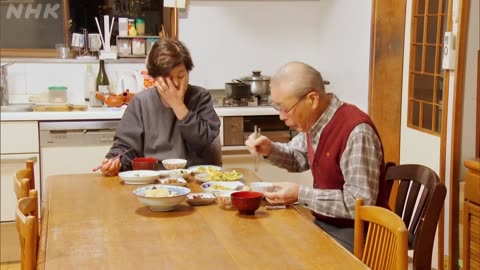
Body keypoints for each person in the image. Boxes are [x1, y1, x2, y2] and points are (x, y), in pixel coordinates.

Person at [245, 61, 387, 252]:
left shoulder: (357, 132)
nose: (281, 116)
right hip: (326, 222)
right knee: (266, 241)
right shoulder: (316, 122)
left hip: (360, 234)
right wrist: (270, 149)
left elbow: (359, 203)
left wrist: (300, 194)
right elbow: (298, 158)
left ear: (312, 99)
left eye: (284, 108)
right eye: (276, 107)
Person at [100, 39, 221, 176]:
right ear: (154, 79)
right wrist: (116, 161)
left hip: (192, 178)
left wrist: (178, 106)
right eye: (168, 79)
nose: (175, 83)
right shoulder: (141, 102)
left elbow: (203, 142)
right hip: (151, 178)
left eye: (181, 76)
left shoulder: (200, 97)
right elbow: (126, 146)